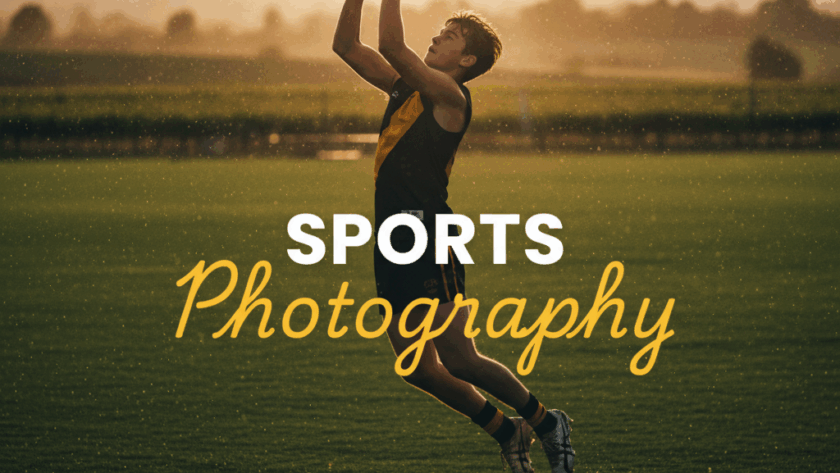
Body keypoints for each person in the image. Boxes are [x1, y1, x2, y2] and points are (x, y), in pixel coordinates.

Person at [332, 1, 574, 471]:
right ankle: (506, 430)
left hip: (429, 236)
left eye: (452, 34)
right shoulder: (406, 88)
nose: (439, 36)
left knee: (460, 358)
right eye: (442, 29)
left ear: (466, 61)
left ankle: (546, 423)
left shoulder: (450, 96)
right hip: (393, 238)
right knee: (417, 368)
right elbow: (346, 46)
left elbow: (389, 45)